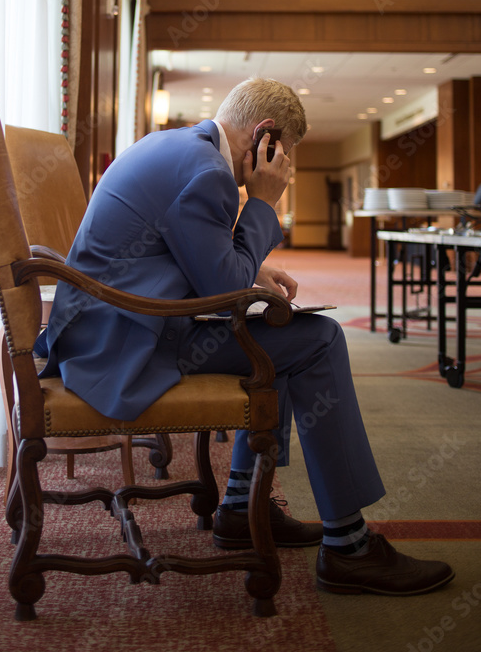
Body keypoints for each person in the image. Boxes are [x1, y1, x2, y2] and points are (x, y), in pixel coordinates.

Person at [36, 77, 454, 596]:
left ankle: (239, 505)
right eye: (284, 152)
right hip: (127, 346)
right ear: (264, 135)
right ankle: (349, 547)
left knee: (280, 333)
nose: (285, 166)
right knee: (319, 339)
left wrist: (252, 269)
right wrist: (263, 203)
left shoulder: (175, 146)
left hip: (108, 329)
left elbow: (186, 253)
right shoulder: (208, 172)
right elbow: (223, 290)